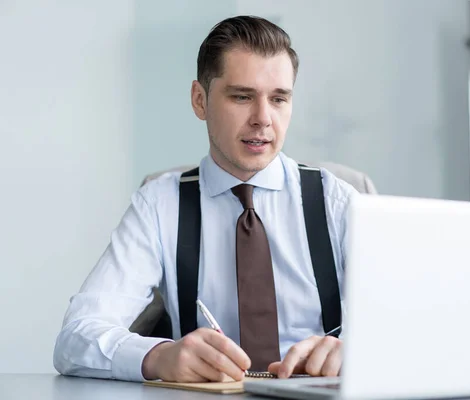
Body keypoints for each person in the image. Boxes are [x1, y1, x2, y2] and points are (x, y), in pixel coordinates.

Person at [53, 15, 357, 383]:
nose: (263, 119)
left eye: (278, 99)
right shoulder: (159, 206)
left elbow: (417, 325)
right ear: (200, 100)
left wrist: (359, 351)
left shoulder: (337, 201)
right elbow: (75, 338)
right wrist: (158, 356)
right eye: (242, 97)